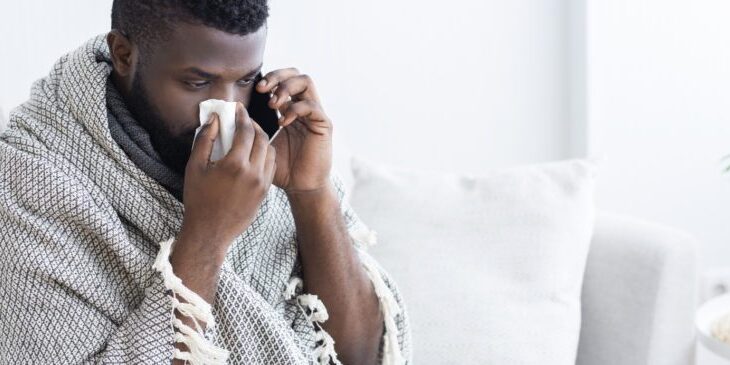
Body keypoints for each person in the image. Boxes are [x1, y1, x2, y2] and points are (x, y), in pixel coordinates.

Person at [0, 1, 411, 364]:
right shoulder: (29, 182)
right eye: (197, 83)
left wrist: (312, 192)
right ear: (123, 54)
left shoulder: (270, 143)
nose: (227, 111)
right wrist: (207, 235)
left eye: (247, 80)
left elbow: (364, 356)